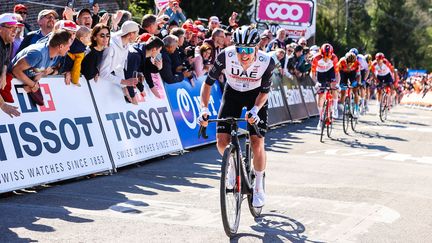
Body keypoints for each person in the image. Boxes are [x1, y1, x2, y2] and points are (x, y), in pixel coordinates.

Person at [198, 25, 276, 208]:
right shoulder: (225, 55)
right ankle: (233, 165)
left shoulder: (267, 62)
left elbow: (265, 92)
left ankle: (258, 186)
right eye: (240, 49)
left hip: (255, 96)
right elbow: (207, 84)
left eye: (249, 50)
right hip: (232, 92)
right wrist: (203, 108)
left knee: (257, 141)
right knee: (221, 141)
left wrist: (255, 110)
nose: (244, 55)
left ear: (256, 48)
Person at [11, 30, 73, 106]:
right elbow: (16, 70)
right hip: (8, 84)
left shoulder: (55, 55)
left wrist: (34, 82)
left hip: (23, 83)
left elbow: (40, 70)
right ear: (61, 46)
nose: (69, 49)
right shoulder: (38, 53)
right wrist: (33, 85)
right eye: (68, 46)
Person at [99, 21, 139, 102]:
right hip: (92, 81)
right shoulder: (111, 46)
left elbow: (119, 68)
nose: (137, 36)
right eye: (136, 33)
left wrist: (124, 86)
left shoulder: (126, 44)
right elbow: (103, 73)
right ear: (131, 34)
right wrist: (125, 82)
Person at [124, 35, 164, 104]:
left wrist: (159, 67)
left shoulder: (143, 51)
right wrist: (133, 96)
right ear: (154, 49)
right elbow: (128, 77)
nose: (159, 53)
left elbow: (147, 70)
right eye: (159, 50)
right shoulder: (136, 55)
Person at [311, 43, 340, 129]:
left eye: (329, 57)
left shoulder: (334, 58)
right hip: (320, 73)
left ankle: (335, 107)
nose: (327, 58)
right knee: (320, 95)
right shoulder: (316, 58)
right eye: (325, 56)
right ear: (321, 54)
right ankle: (320, 119)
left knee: (334, 86)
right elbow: (312, 73)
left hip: (330, 72)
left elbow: (337, 73)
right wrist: (316, 82)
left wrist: (337, 84)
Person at [0, 13, 22, 117]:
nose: (15, 31)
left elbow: (6, 61)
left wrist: (3, 73)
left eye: (16, 28)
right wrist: (3, 105)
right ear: (0, 29)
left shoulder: (7, 42)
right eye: (10, 27)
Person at [338, 52, 361, 117]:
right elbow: (337, 73)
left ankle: (356, 108)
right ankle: (342, 109)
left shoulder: (357, 63)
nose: (350, 64)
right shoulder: (341, 61)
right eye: (348, 63)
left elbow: (359, 75)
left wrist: (358, 83)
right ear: (346, 60)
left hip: (352, 74)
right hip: (343, 74)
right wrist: (338, 83)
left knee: (355, 90)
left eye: (352, 63)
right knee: (343, 92)